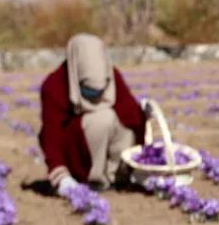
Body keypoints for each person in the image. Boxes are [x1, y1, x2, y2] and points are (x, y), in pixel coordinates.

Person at [38, 33, 148, 192]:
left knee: (124, 127)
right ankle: (94, 180)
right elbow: (51, 134)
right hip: (77, 152)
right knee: (103, 118)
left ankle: (117, 176)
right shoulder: (54, 85)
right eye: (87, 89)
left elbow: (131, 114)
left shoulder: (111, 75)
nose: (95, 95)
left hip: (103, 141)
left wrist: (143, 115)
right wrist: (60, 174)